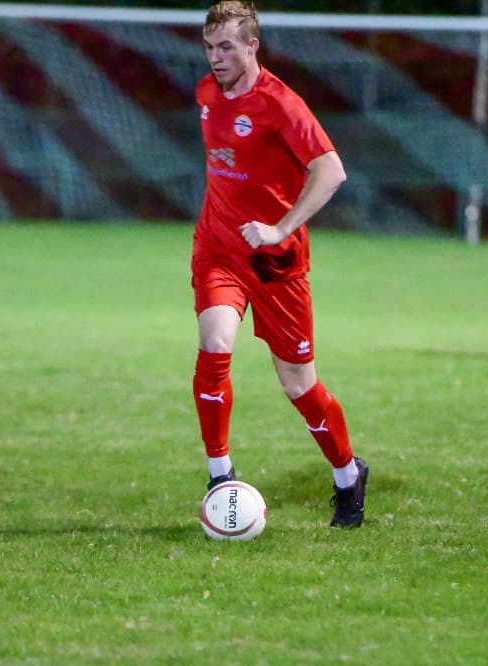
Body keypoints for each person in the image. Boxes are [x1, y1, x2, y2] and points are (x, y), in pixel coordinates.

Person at [191, 1, 368, 527]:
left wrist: (279, 228)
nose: (216, 57)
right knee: (215, 343)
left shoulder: (281, 104)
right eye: (209, 47)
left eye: (226, 47)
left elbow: (331, 171)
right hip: (218, 251)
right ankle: (219, 475)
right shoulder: (206, 94)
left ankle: (348, 476)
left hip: (277, 264)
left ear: (252, 46)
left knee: (298, 385)